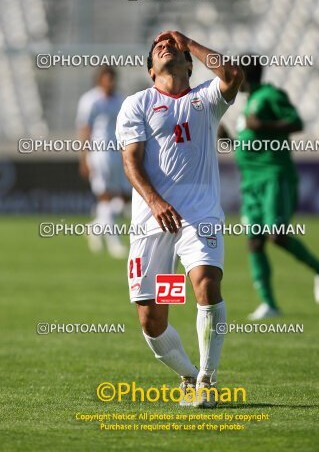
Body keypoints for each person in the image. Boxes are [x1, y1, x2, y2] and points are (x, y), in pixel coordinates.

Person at [116, 31, 243, 407]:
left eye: (172, 47)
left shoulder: (205, 100)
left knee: (205, 283)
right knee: (152, 319)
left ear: (189, 63)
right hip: (153, 224)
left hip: (199, 218)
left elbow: (234, 74)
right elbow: (131, 162)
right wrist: (155, 202)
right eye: (158, 49)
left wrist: (189, 41)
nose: (165, 48)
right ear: (151, 72)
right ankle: (188, 375)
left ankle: (207, 378)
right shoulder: (137, 104)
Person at [234, 56, 319, 320]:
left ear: (246, 74)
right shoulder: (249, 104)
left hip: (274, 177)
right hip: (251, 182)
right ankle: (269, 304)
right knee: (255, 242)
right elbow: (254, 141)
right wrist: (230, 141)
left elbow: (297, 123)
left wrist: (264, 125)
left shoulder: (270, 95)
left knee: (276, 234)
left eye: (236, 71)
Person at [76, 65, 129, 258]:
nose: (111, 82)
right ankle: (114, 243)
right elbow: (84, 130)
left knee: (124, 197)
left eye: (113, 78)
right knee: (105, 196)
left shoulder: (121, 100)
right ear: (100, 80)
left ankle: (95, 227)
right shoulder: (90, 100)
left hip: (117, 154)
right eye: (107, 78)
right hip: (98, 154)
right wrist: (84, 158)